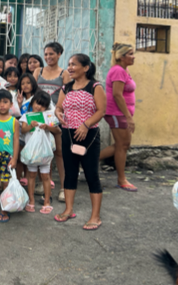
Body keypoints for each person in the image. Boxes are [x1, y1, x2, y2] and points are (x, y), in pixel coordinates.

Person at [54, 54, 106, 231]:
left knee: (91, 175)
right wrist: (58, 113)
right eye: (69, 64)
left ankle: (95, 216)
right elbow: (59, 107)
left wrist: (86, 124)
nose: (70, 67)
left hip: (88, 135)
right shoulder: (66, 87)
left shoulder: (95, 87)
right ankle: (68, 210)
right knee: (70, 173)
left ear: (85, 68)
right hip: (68, 134)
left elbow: (101, 111)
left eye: (74, 64)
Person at [33, 42, 70, 202]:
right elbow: (33, 93)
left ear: (59, 54)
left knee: (60, 153)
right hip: (39, 117)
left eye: (52, 54)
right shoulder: (38, 71)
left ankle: (64, 188)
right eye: (46, 54)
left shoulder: (64, 74)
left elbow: (67, 96)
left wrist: (59, 113)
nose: (48, 57)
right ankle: (42, 184)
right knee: (41, 152)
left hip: (57, 118)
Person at [100, 43, 137, 192]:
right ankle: (122, 180)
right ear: (122, 57)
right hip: (117, 113)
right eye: (130, 54)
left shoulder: (123, 70)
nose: (133, 57)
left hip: (121, 113)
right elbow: (117, 94)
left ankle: (86, 160)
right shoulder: (118, 71)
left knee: (123, 144)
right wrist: (128, 117)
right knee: (122, 145)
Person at [20, 92, 59, 215]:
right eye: (37, 103)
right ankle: (31, 200)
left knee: (45, 176)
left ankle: (47, 201)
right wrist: (30, 126)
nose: (39, 107)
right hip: (32, 153)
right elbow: (23, 130)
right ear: (32, 102)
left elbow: (57, 130)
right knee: (31, 175)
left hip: (44, 152)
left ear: (46, 107)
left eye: (43, 105)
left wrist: (47, 127)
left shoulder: (48, 116)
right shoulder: (26, 116)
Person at [0, 89, 20, 223]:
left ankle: (4, 207)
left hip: (7, 156)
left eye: (5, 102)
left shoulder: (14, 121)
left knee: (6, 182)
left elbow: (16, 140)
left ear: (11, 104)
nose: (2, 105)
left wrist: (15, 158)